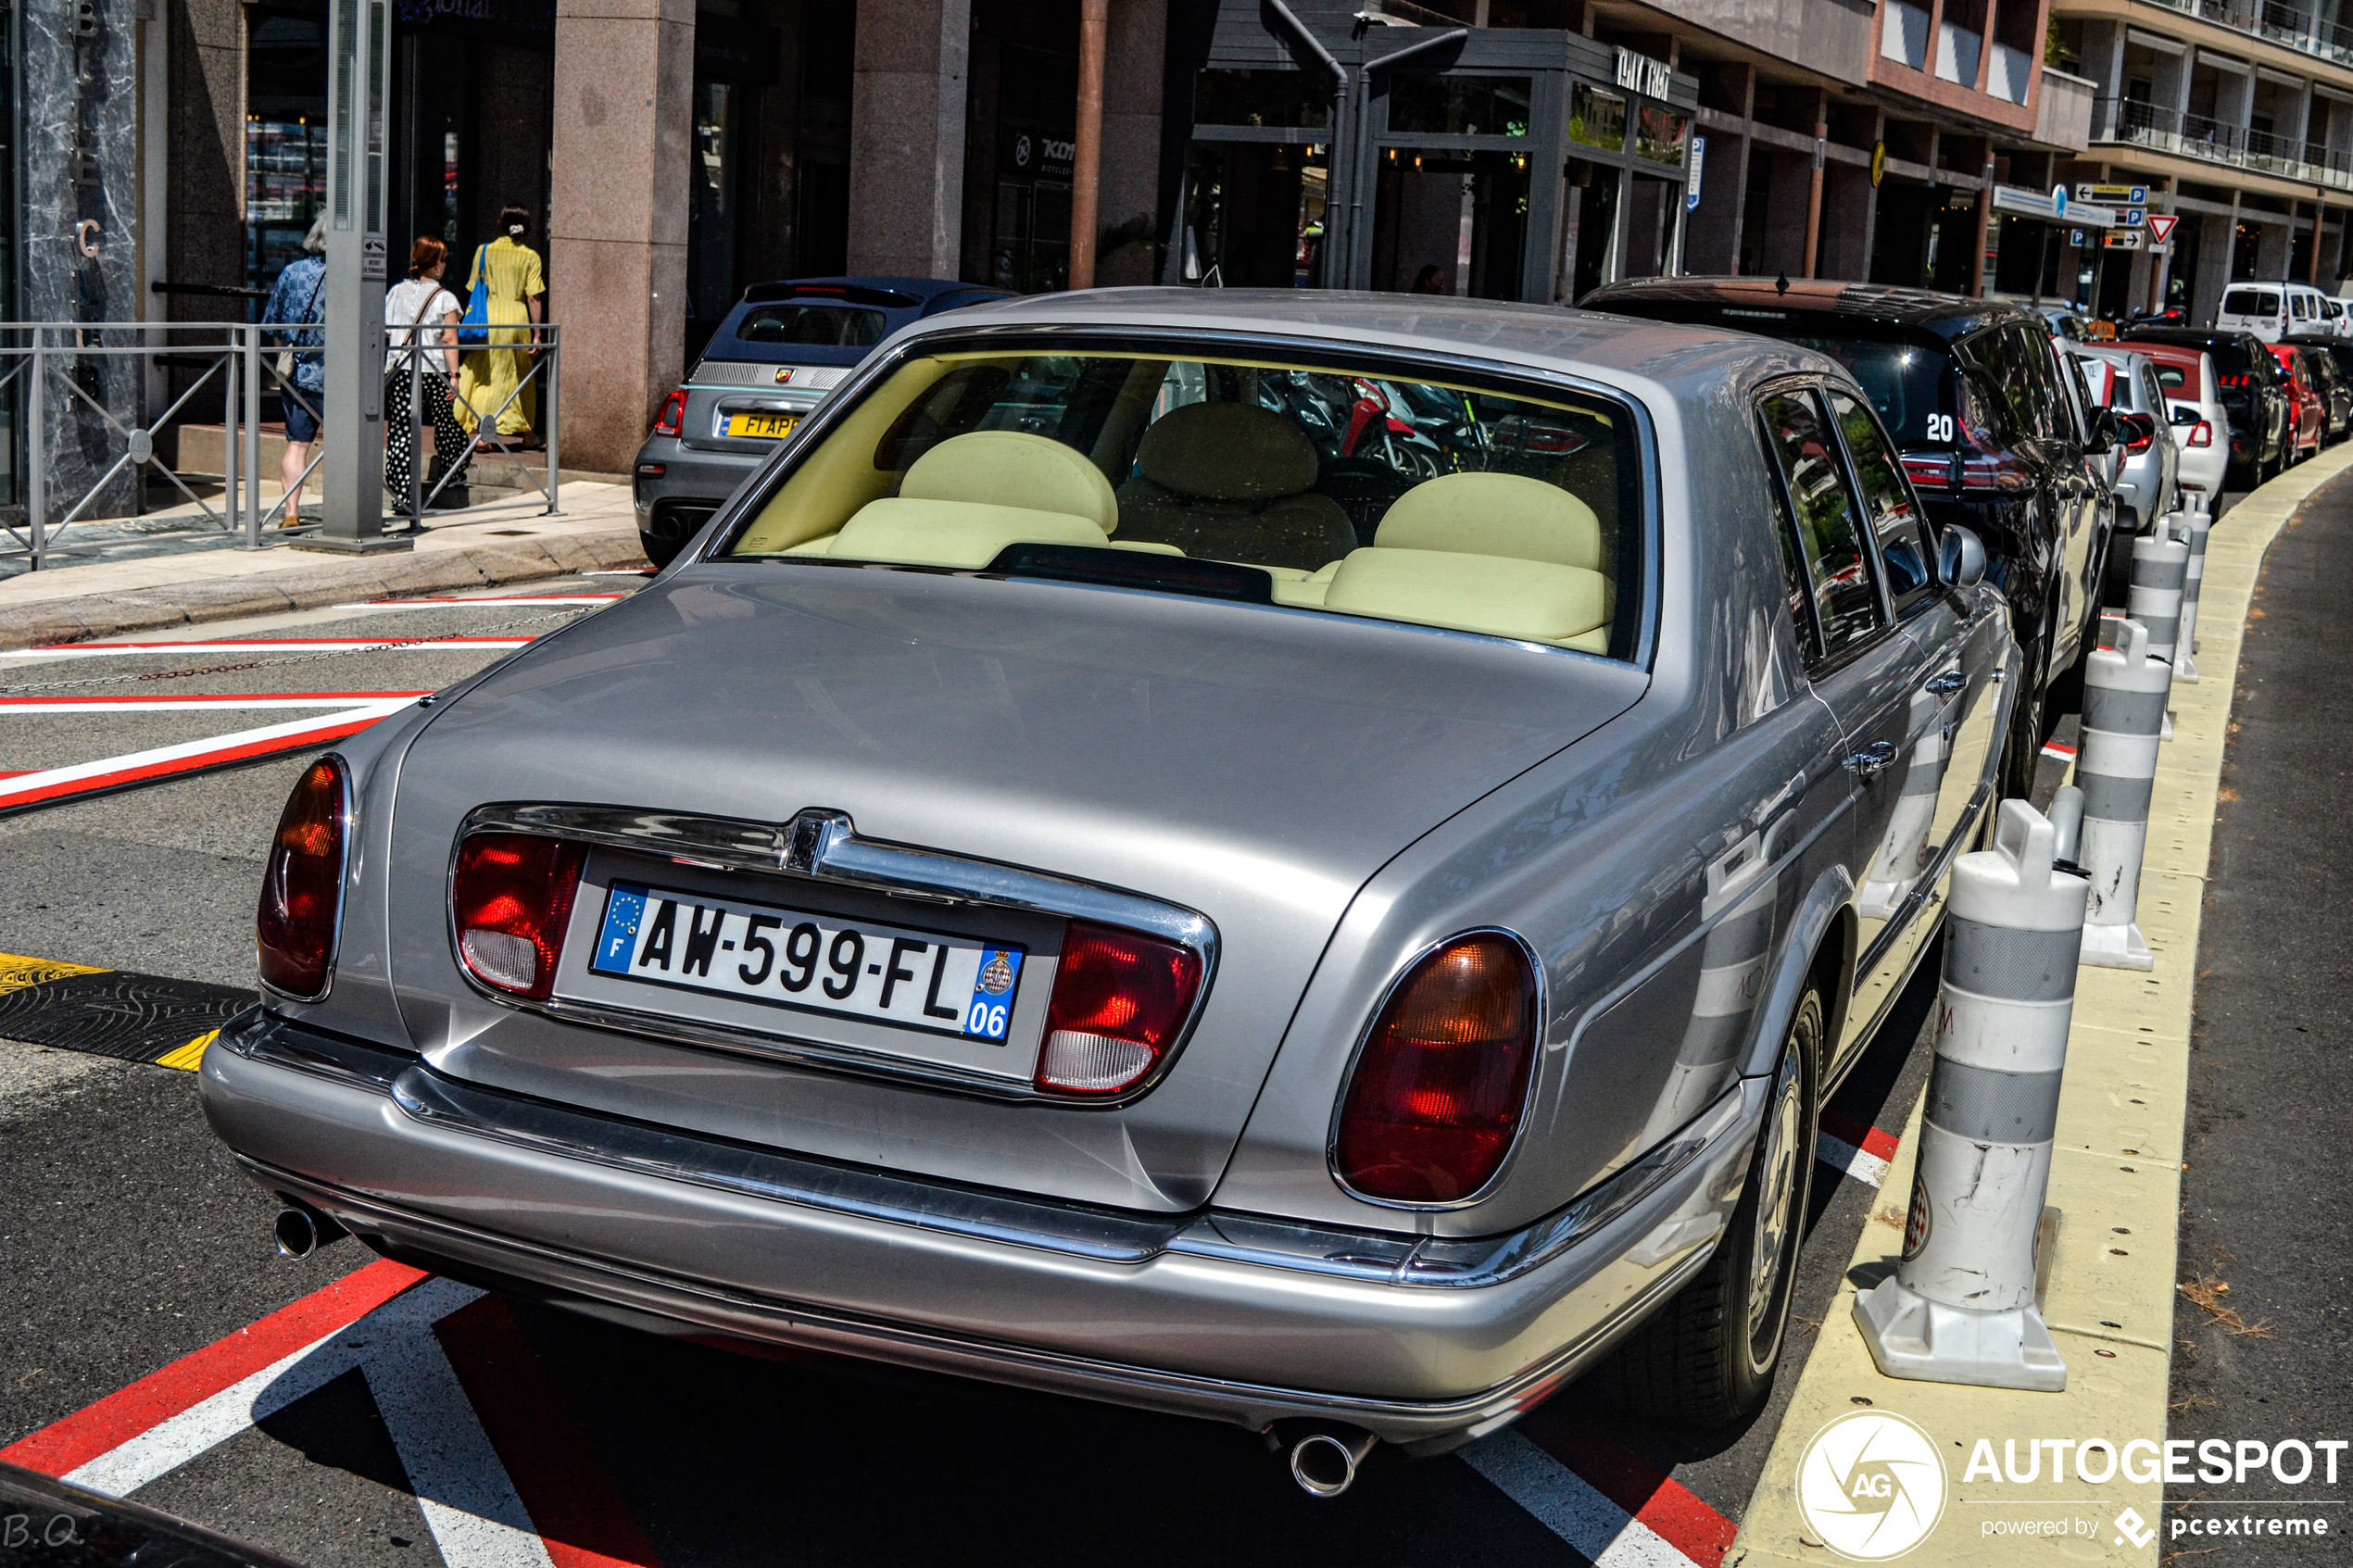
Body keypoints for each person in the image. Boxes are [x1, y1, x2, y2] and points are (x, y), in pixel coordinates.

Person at [383, 236, 471, 508]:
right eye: (442, 260)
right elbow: (448, 339)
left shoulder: (396, 291)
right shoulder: (445, 298)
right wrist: (454, 375)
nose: (444, 265)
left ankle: (401, 493)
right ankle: (451, 472)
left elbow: (387, 331)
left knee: (401, 428)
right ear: (435, 265)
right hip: (434, 368)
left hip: (403, 368)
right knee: (446, 421)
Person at [455, 205, 547, 446]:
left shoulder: (484, 251)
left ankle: (483, 435)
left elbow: (473, 288)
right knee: (519, 375)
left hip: (489, 318)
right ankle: (527, 434)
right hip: (517, 320)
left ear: (500, 224)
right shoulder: (531, 256)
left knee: (487, 374)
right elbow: (533, 297)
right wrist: (538, 334)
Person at [260, 215, 328, 524]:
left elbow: (272, 323)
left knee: (297, 445)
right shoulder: (348, 274)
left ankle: (291, 512)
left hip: (297, 374)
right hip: (338, 375)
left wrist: (288, 354)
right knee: (345, 443)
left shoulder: (291, 272)